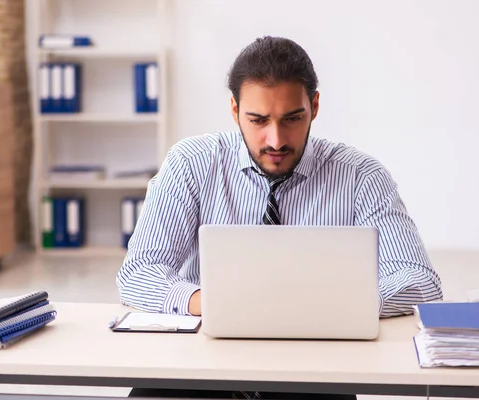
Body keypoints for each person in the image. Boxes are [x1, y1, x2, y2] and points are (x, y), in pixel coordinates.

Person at [117, 36, 443, 399]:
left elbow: (421, 282)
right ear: (234, 110)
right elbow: (139, 272)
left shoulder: (360, 176)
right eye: (257, 120)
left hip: (316, 370)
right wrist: (209, 301)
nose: (275, 140)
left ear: (314, 106)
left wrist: (337, 303)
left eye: (292, 118)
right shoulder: (191, 165)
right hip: (201, 364)